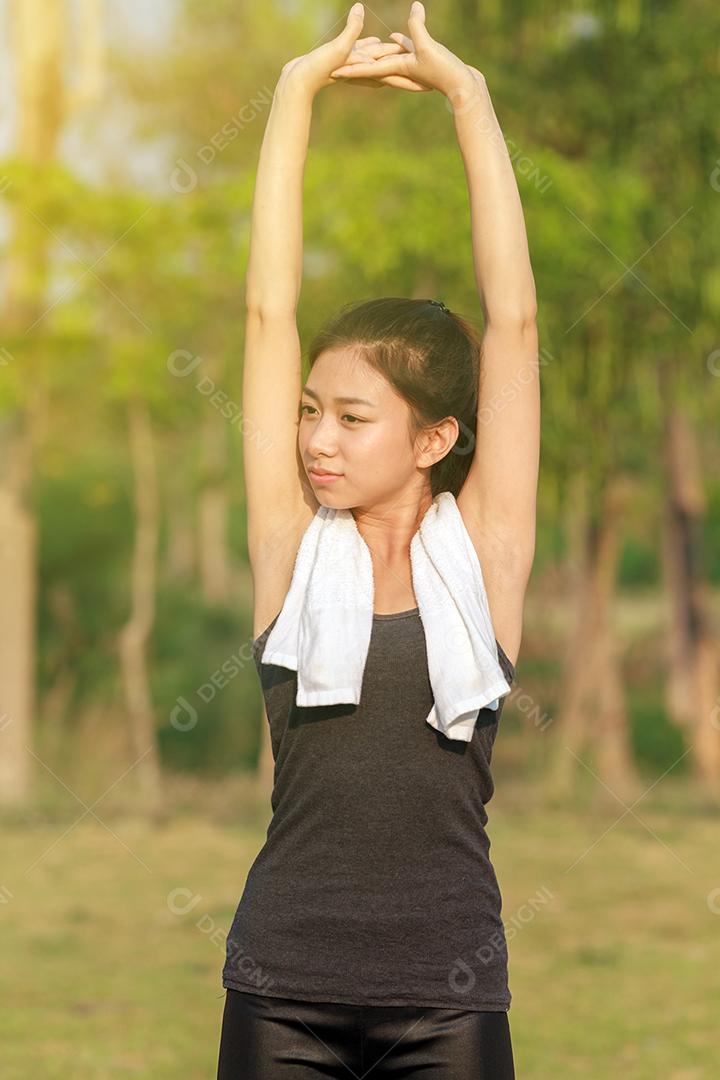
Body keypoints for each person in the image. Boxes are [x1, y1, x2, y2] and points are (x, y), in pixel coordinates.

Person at [216, 3, 539, 1076]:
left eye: (353, 419)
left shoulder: (486, 552)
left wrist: (468, 97)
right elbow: (267, 311)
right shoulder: (289, 545)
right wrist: (295, 92)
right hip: (279, 995)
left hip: (448, 1003)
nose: (317, 439)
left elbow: (515, 319)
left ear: (435, 438)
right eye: (311, 411)